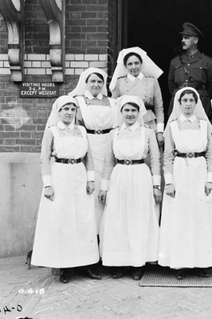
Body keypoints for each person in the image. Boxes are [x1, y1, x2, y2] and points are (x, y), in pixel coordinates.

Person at [31, 96, 100, 283]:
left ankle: (86, 264)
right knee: (63, 221)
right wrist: (48, 184)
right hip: (60, 176)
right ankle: (65, 268)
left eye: (72, 109)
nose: (69, 112)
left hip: (79, 175)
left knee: (83, 221)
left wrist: (90, 179)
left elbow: (90, 158)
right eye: (65, 109)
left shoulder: (83, 131)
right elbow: (44, 159)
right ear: (58, 112)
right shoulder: (52, 131)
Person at [158, 87, 212, 280]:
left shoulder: (204, 125)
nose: (187, 104)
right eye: (184, 100)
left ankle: (202, 262)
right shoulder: (173, 126)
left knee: (200, 217)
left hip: (200, 171)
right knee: (181, 217)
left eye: (191, 100)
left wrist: (210, 179)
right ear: (179, 103)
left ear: (196, 103)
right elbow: (167, 155)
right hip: (180, 172)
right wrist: (168, 182)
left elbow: (211, 153)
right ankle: (181, 263)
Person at [98, 96, 161, 281]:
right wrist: (104, 187)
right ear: (121, 112)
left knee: (138, 219)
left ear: (139, 112)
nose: (130, 114)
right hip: (119, 177)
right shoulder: (114, 133)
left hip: (140, 175)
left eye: (134, 110)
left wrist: (156, 186)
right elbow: (108, 161)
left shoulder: (147, 132)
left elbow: (156, 160)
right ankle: (120, 263)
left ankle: (138, 263)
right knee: (119, 219)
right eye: (127, 110)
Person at [66, 67, 119, 236]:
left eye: (99, 81)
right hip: (88, 144)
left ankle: (107, 234)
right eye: (92, 81)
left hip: (108, 144)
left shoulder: (112, 102)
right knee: (90, 185)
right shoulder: (78, 101)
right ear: (86, 83)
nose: (96, 85)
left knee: (108, 182)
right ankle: (89, 235)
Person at [110, 47, 165, 147]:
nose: (134, 67)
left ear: (141, 64)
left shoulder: (152, 81)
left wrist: (160, 131)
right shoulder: (120, 82)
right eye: (130, 64)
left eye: (136, 63)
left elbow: (159, 107)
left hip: (148, 122)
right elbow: (114, 108)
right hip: (127, 123)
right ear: (125, 66)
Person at [168, 22, 212, 121]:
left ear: (195, 40)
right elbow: (171, 84)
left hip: (201, 102)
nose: (183, 40)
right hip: (179, 103)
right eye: (182, 38)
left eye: (187, 38)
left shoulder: (207, 61)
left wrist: (200, 96)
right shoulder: (175, 61)